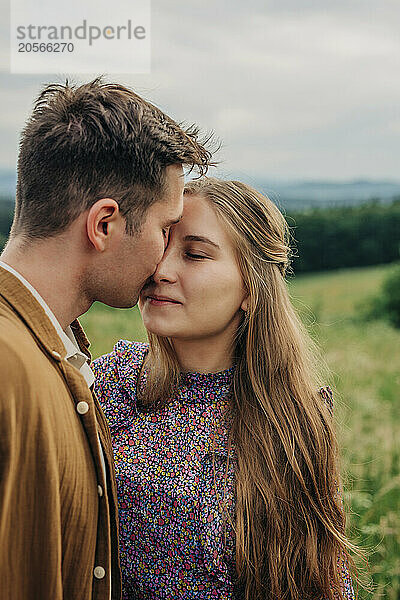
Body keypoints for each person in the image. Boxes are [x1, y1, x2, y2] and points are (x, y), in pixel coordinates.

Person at [92, 177, 358, 600]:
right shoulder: (108, 384)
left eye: (195, 255)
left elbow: (322, 580)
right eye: (160, 248)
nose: (161, 271)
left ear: (251, 288)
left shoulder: (295, 418)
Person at [0, 78, 212, 600]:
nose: (164, 258)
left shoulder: (54, 351)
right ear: (104, 225)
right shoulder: (8, 363)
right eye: (165, 228)